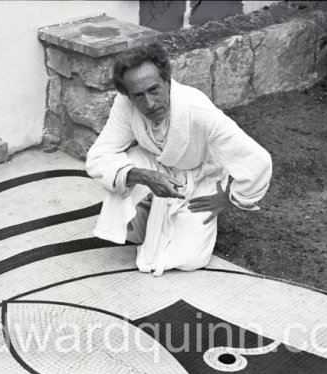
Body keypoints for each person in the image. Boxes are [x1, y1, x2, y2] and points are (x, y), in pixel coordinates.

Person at [85, 42, 272, 276]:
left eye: (154, 90)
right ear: (128, 96)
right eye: (138, 96)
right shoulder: (124, 106)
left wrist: (230, 199)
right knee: (122, 168)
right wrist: (143, 176)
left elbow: (258, 160)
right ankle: (148, 211)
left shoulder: (199, 111)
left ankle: (160, 215)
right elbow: (97, 157)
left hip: (199, 175)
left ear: (167, 80)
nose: (149, 104)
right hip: (154, 165)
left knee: (189, 259)